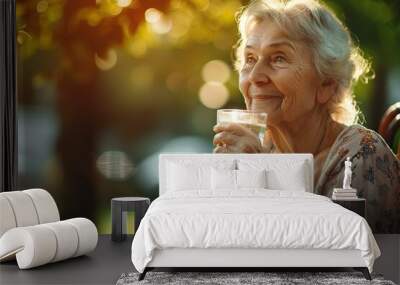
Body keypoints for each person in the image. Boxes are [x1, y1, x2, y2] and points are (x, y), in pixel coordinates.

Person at [213, 0, 400, 233]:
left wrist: (262, 179)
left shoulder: (361, 154)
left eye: (279, 58)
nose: (255, 76)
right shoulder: (262, 150)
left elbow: (336, 260)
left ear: (326, 85)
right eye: (250, 59)